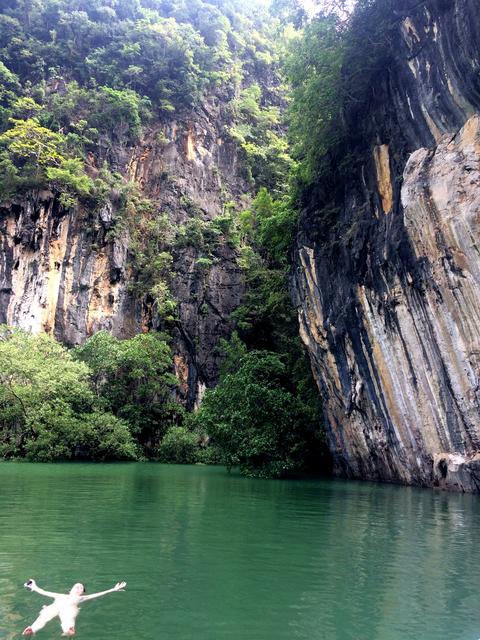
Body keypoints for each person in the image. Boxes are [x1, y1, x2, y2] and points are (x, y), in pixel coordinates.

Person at [22, 579, 127, 636]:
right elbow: (44, 592)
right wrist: (34, 586)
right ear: (70, 590)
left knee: (68, 618)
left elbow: (98, 594)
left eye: (81, 588)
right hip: (55, 607)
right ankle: (32, 629)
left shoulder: (80, 598)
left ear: (81, 593)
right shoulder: (60, 596)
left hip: (69, 609)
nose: (79, 587)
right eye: (77, 586)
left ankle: (68, 630)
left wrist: (112, 589)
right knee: (44, 616)